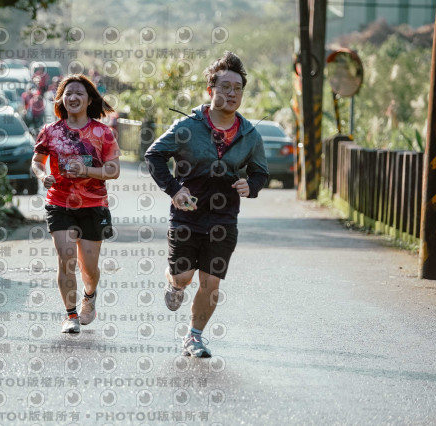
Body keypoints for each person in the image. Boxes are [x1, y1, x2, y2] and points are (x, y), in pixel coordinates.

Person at [144, 52, 269, 357]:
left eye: (237, 88)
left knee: (211, 281)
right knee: (184, 276)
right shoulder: (187, 126)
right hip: (187, 214)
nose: (232, 94)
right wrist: (174, 189)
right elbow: (154, 155)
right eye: (225, 87)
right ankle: (174, 284)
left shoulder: (250, 134)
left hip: (224, 218)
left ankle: (194, 337)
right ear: (210, 90)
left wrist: (251, 186)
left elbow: (260, 172)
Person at [31, 74, 120, 333]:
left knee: (88, 268)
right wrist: (42, 176)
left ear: (89, 99)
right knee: (66, 258)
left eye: (79, 93)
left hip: (93, 205)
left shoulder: (103, 132)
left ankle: (89, 295)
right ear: (61, 99)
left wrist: (86, 171)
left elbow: (113, 170)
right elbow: (37, 161)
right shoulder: (50, 131)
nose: (73, 97)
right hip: (59, 202)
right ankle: (70, 315)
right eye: (68, 93)